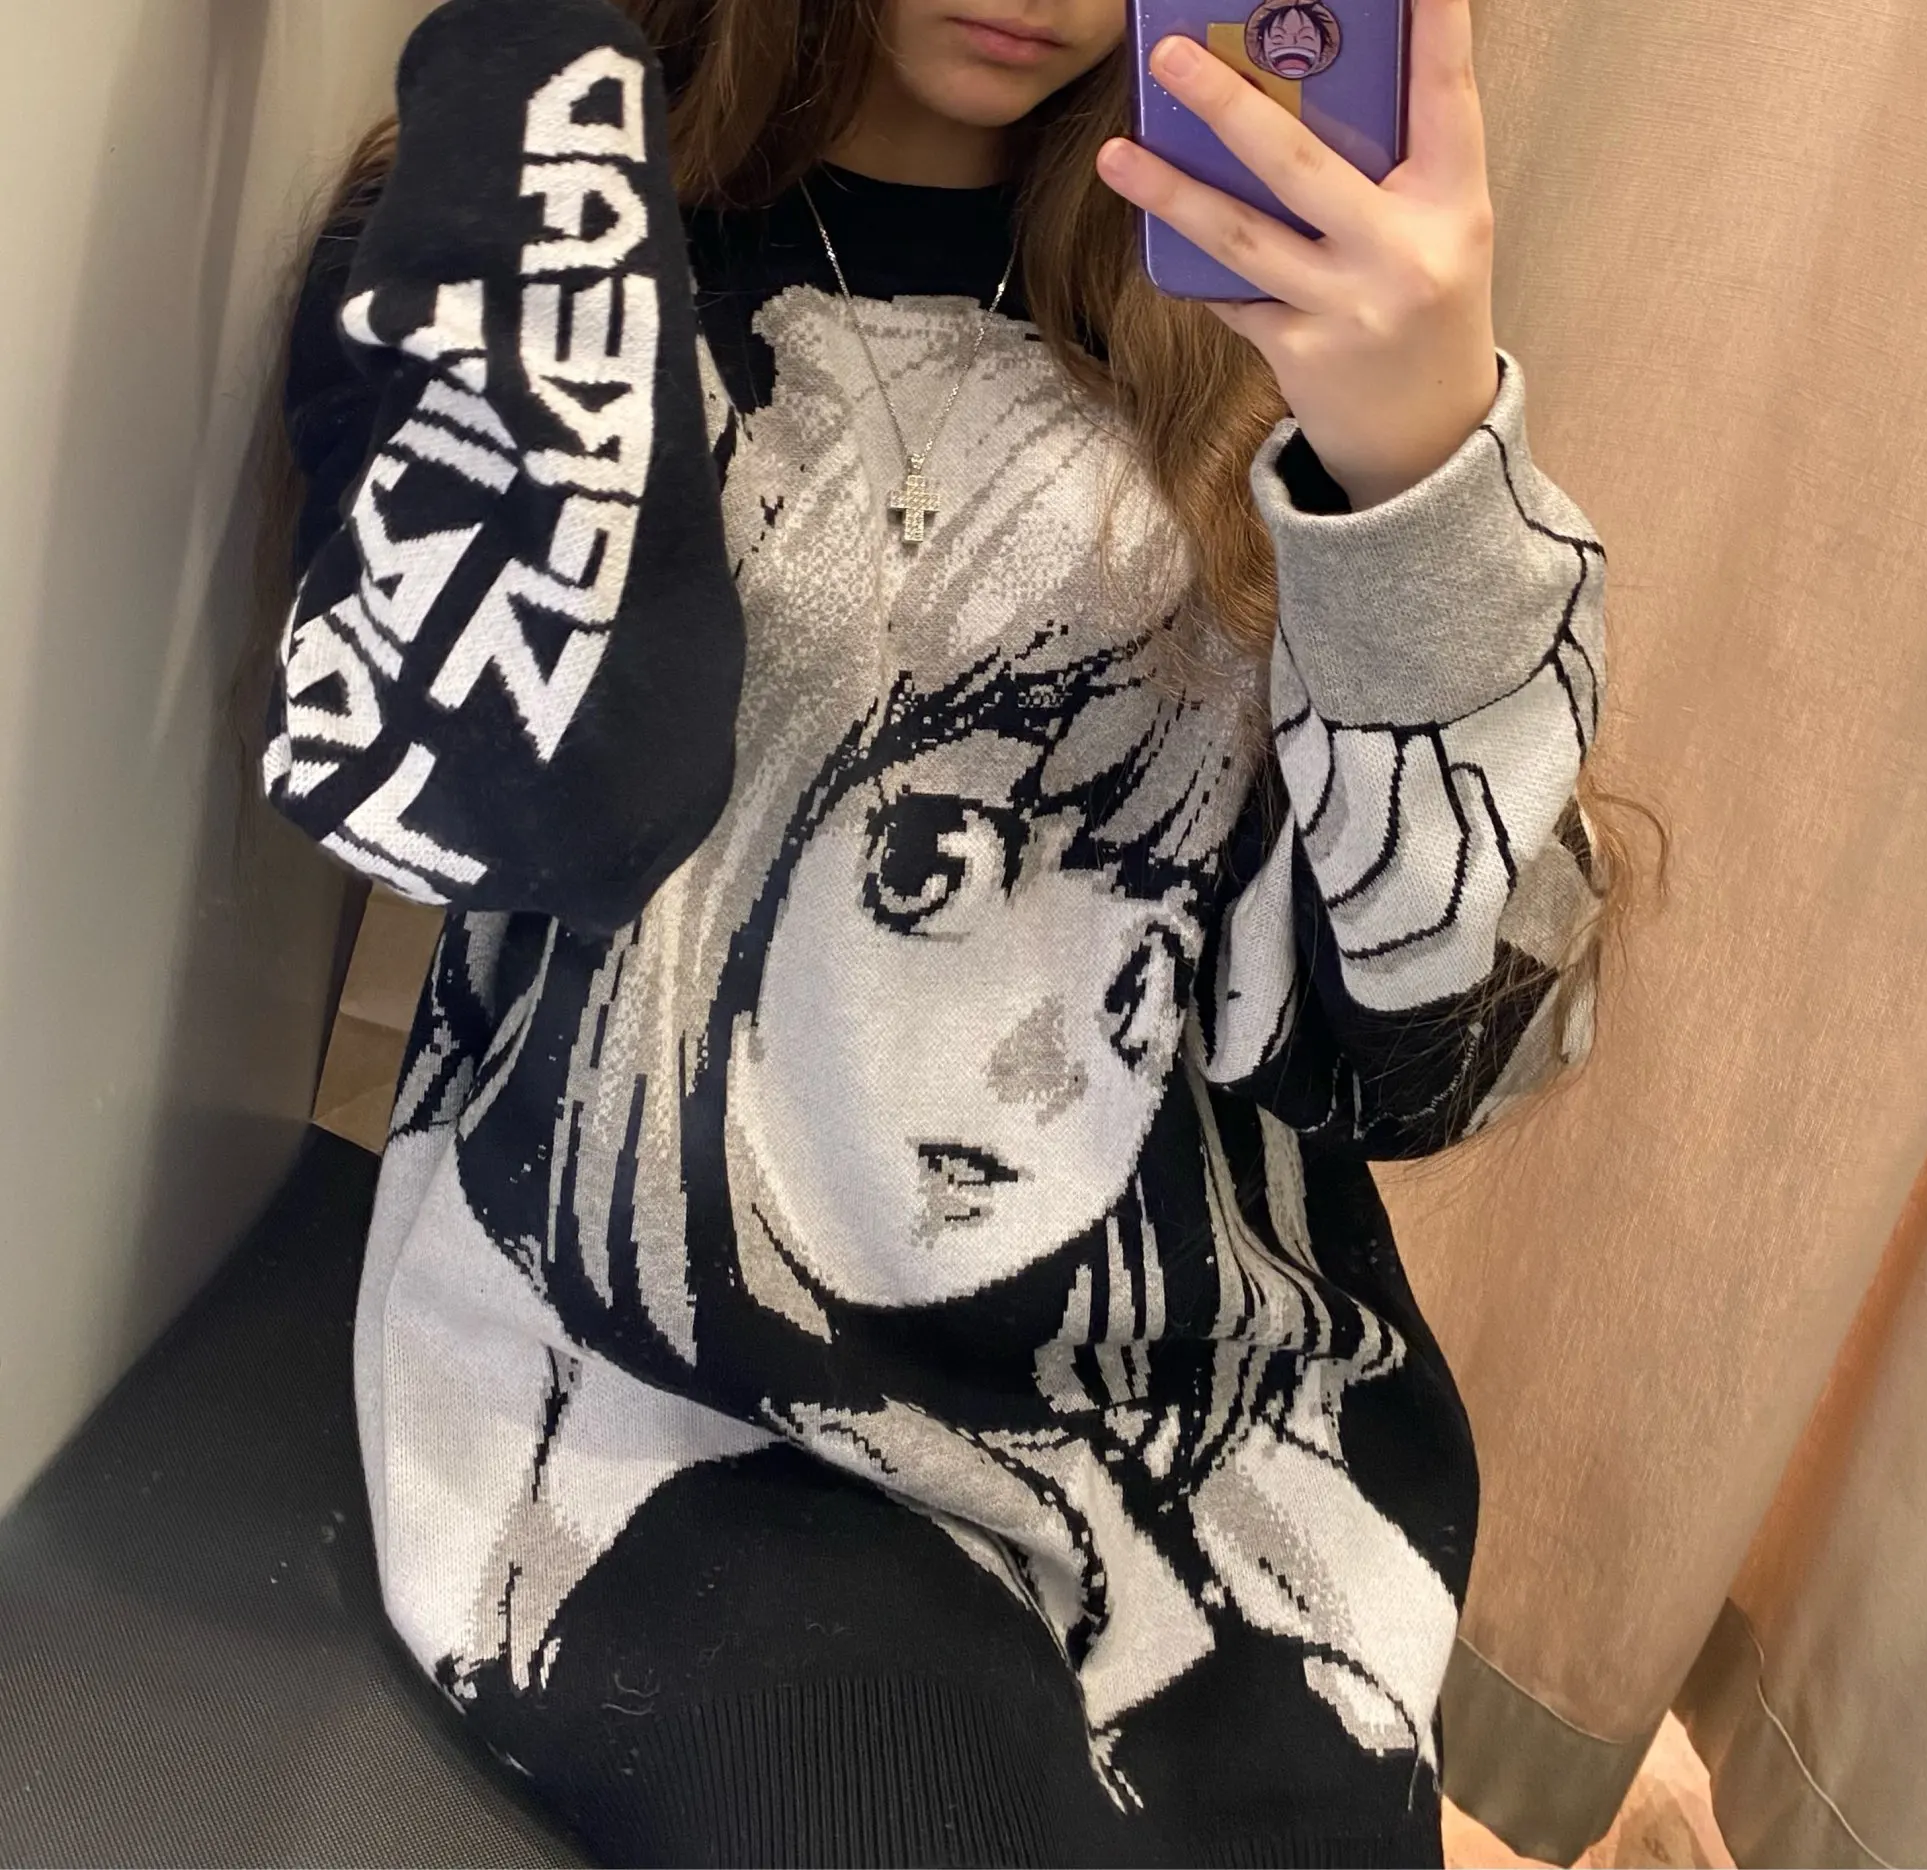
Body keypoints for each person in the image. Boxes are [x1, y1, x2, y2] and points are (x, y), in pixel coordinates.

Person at [263, 0, 1620, 1860]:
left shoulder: (1261, 325)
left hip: (1202, 1433)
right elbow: (487, 804)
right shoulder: (549, 196)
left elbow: (1432, 1061)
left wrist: (1416, 490)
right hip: (680, 1407)